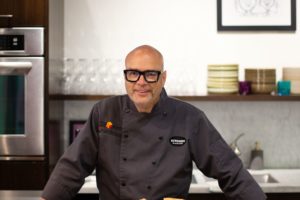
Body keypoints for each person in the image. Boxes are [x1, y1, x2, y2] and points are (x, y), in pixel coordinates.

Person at [41, 45, 266, 200]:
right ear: (125, 76)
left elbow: (229, 169)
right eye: (133, 74)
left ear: (163, 77)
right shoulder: (104, 113)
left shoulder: (189, 118)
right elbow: (73, 166)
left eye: (150, 74)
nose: (141, 82)